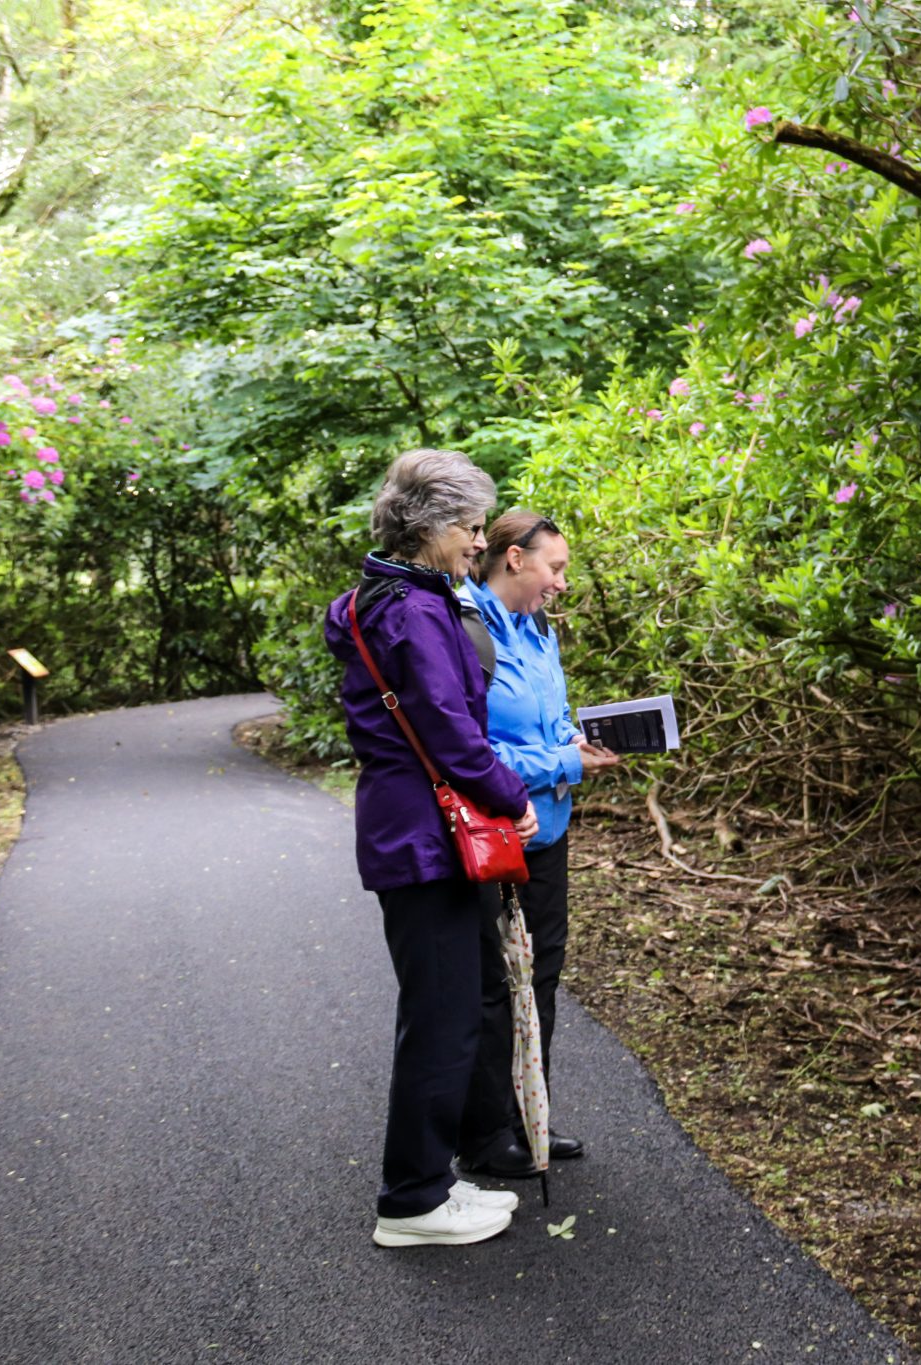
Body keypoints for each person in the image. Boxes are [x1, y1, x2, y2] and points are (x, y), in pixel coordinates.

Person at [322, 448, 541, 1248]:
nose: (478, 544)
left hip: (408, 827)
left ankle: (429, 1184)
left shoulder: (377, 595)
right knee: (443, 1018)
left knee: (442, 1011)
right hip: (425, 836)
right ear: (430, 526)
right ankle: (412, 1199)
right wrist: (512, 800)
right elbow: (450, 732)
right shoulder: (413, 610)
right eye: (470, 529)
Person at [456, 509, 620, 1178]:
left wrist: (579, 748)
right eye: (554, 568)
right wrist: (565, 763)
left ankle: (531, 1115)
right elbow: (471, 753)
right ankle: (485, 1135)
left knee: (541, 977)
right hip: (494, 836)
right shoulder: (464, 629)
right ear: (515, 559)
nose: (560, 584)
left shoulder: (539, 628)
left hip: (548, 832)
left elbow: (545, 727)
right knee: (495, 985)